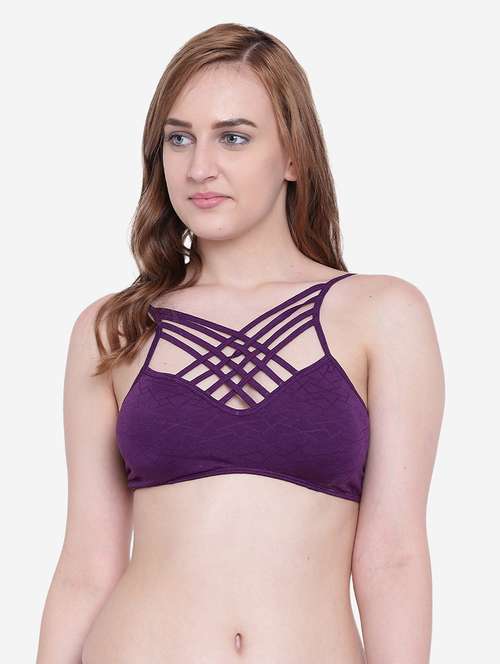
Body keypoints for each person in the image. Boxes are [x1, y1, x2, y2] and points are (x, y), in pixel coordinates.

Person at [36, 22, 445, 664]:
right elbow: (87, 565)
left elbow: (393, 556)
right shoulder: (114, 329)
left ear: (294, 156)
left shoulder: (383, 314)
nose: (200, 167)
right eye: (179, 138)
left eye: (233, 137)